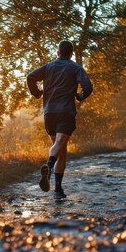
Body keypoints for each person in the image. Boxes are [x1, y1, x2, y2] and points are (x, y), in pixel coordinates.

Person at [26, 40, 93, 198]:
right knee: (59, 147)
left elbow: (30, 77)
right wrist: (80, 96)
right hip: (66, 112)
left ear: (57, 52)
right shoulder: (75, 68)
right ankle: (49, 165)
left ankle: (58, 189)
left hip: (49, 113)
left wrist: (36, 93)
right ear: (71, 54)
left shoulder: (48, 67)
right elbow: (88, 86)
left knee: (61, 150)